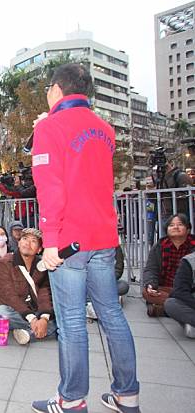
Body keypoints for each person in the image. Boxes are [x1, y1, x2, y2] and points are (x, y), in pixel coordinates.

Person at [31, 63, 139, 413]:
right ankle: (127, 394)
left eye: (48, 88)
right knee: (111, 315)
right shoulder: (104, 128)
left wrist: (49, 240)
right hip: (104, 236)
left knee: (73, 320)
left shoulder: (51, 126)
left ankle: (72, 399)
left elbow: (51, 187)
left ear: (57, 89)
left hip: (68, 241)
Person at [0, 228, 56, 345]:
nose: (28, 243)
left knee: (62, 316)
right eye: (25, 239)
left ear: (39, 249)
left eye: (33, 241)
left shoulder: (42, 265)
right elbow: (9, 295)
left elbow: (45, 293)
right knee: (0, 312)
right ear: (19, 242)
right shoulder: (4, 263)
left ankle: (29, 334)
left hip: (36, 308)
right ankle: (42, 329)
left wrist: (44, 318)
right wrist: (31, 318)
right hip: (15, 310)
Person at [142, 213, 195, 317]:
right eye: (171, 225)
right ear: (166, 230)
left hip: (188, 289)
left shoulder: (193, 246)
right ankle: (176, 306)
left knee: (183, 298)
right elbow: (151, 269)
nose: (175, 227)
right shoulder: (160, 246)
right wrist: (150, 285)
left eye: (180, 224)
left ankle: (165, 309)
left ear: (188, 229)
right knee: (146, 292)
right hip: (166, 288)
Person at [164, 252, 195, 338]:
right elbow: (180, 292)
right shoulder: (189, 261)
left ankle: (190, 324)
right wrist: (150, 283)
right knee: (171, 304)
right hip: (192, 303)